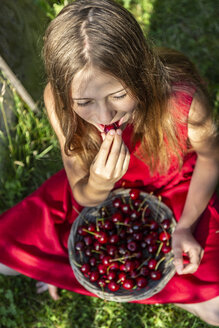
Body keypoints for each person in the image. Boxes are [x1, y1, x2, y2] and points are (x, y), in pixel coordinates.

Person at [0, 0, 218, 325]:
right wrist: (100, 183)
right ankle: (174, 292)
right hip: (95, 194)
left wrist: (185, 225)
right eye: (84, 102)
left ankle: (60, 272)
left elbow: (210, 159)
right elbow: (81, 194)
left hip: (174, 185)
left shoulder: (181, 99)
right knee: (5, 256)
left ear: (141, 73)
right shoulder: (58, 102)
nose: (104, 117)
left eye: (117, 96)